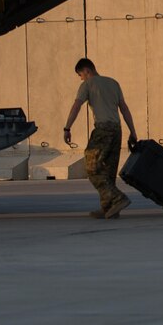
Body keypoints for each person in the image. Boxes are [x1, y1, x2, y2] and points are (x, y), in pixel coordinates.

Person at [63, 58, 138, 219]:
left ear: (87, 71)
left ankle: (118, 198)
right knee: (108, 170)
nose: (81, 78)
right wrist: (133, 132)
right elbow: (124, 108)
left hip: (103, 129)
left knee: (92, 168)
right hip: (117, 130)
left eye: (80, 75)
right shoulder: (113, 83)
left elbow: (76, 106)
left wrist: (67, 128)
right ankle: (109, 208)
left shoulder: (87, 85)